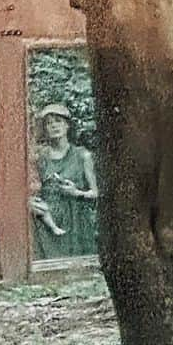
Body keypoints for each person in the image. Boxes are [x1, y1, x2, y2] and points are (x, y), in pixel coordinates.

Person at [31, 103, 98, 259]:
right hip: (47, 223)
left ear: (67, 125)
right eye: (49, 123)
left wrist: (77, 192)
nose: (54, 125)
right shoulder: (40, 157)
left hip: (76, 222)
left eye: (58, 121)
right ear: (44, 129)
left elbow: (96, 194)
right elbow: (32, 187)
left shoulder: (82, 156)